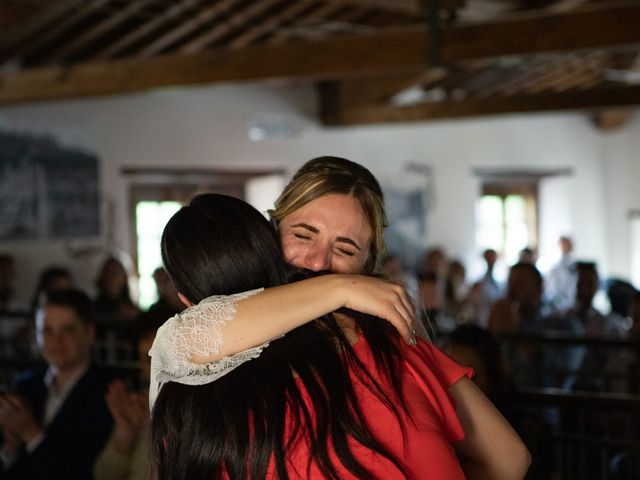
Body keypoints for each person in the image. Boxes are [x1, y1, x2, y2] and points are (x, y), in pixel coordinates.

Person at [150, 194, 530, 480]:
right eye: (305, 235)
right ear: (274, 249)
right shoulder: (383, 340)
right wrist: (343, 289)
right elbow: (510, 459)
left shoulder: (180, 388)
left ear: (185, 301)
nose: (319, 261)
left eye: (344, 247)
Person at [0, 289, 113, 480]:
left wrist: (31, 433)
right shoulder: (24, 385)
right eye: (46, 330)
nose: (56, 340)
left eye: (67, 330)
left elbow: (86, 473)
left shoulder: (107, 393)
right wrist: (10, 448)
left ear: (89, 333)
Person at [94, 311, 165, 480]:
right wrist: (125, 433)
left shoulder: (201, 408)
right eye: (148, 361)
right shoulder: (138, 407)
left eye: (164, 357)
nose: (159, 368)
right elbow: (103, 475)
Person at [94, 256, 140, 321]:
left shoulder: (131, 310)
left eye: (116, 273)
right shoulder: (93, 309)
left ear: (124, 278)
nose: (113, 278)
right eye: (109, 273)